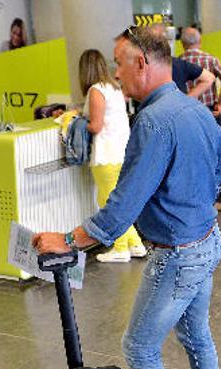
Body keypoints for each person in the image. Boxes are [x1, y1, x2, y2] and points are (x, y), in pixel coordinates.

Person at [32, 25, 221, 369]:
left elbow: (120, 210)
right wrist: (196, 194)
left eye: (120, 63)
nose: (116, 73)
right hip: (206, 239)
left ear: (141, 62)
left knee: (140, 346)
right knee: (196, 335)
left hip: (178, 254)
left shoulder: (154, 119)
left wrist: (66, 241)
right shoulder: (189, 105)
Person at [77, 49, 146, 263]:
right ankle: (135, 244)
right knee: (119, 202)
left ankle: (120, 248)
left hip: (106, 155)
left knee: (109, 204)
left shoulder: (96, 91)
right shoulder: (115, 89)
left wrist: (75, 122)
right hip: (122, 152)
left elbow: (96, 126)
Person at [179, 27, 221, 126]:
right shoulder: (211, 59)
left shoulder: (178, 62)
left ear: (182, 43)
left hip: (186, 112)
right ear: (200, 41)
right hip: (210, 111)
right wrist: (220, 104)